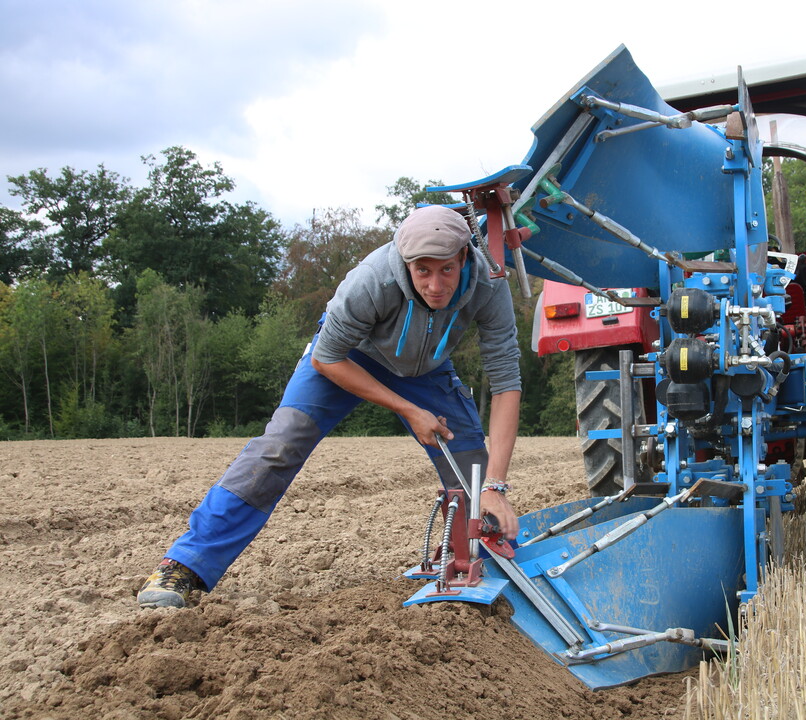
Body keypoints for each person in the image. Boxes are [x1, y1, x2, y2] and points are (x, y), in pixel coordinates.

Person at [138, 205, 522, 609]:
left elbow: (506, 382)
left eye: (446, 269)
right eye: (422, 271)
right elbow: (326, 357)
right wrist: (408, 409)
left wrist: (493, 485)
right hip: (347, 358)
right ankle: (184, 565)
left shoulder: (488, 285)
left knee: (472, 469)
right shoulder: (373, 279)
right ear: (406, 262)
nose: (435, 285)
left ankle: (478, 561)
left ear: (464, 257)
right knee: (280, 446)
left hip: (425, 369)